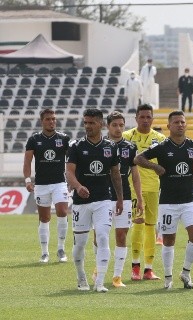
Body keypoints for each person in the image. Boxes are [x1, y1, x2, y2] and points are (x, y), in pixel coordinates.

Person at [134, 110, 193, 290]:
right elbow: (138, 158)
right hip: (168, 202)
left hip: (189, 200)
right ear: (169, 126)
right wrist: (155, 166)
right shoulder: (162, 147)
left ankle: (185, 272)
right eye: (176, 122)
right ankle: (168, 277)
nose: (180, 125)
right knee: (169, 240)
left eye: (182, 122)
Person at [66, 108, 123, 293]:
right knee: (80, 244)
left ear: (101, 124)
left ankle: (99, 282)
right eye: (85, 123)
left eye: (91, 123)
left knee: (103, 236)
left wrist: (120, 199)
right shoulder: (76, 146)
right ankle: (81, 276)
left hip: (103, 199)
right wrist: (78, 186)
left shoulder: (110, 147)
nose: (88, 126)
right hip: (81, 202)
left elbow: (116, 174)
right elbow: (69, 172)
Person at [92, 111, 143, 288]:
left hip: (125, 197)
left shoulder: (130, 147)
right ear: (107, 126)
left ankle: (117, 276)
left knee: (121, 235)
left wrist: (140, 199)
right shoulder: (98, 145)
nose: (119, 128)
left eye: (121, 125)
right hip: (101, 197)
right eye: (115, 125)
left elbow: (135, 176)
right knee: (100, 236)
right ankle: (98, 269)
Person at [123, 104, 166, 281]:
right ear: (136, 118)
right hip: (133, 188)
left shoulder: (161, 139)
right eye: (142, 117)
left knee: (151, 226)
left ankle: (148, 269)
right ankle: (135, 267)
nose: (146, 120)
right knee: (138, 224)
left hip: (154, 188)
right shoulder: (127, 137)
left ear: (153, 119)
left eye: (149, 117)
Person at [23, 108, 70, 263]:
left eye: (53, 119)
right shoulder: (34, 139)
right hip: (42, 184)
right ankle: (44, 252)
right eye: (48, 119)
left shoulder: (63, 138)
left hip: (59, 183)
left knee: (63, 211)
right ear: (42, 121)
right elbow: (28, 161)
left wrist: (73, 179)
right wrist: (28, 180)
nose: (52, 122)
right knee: (44, 217)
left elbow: (72, 161)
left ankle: (61, 249)